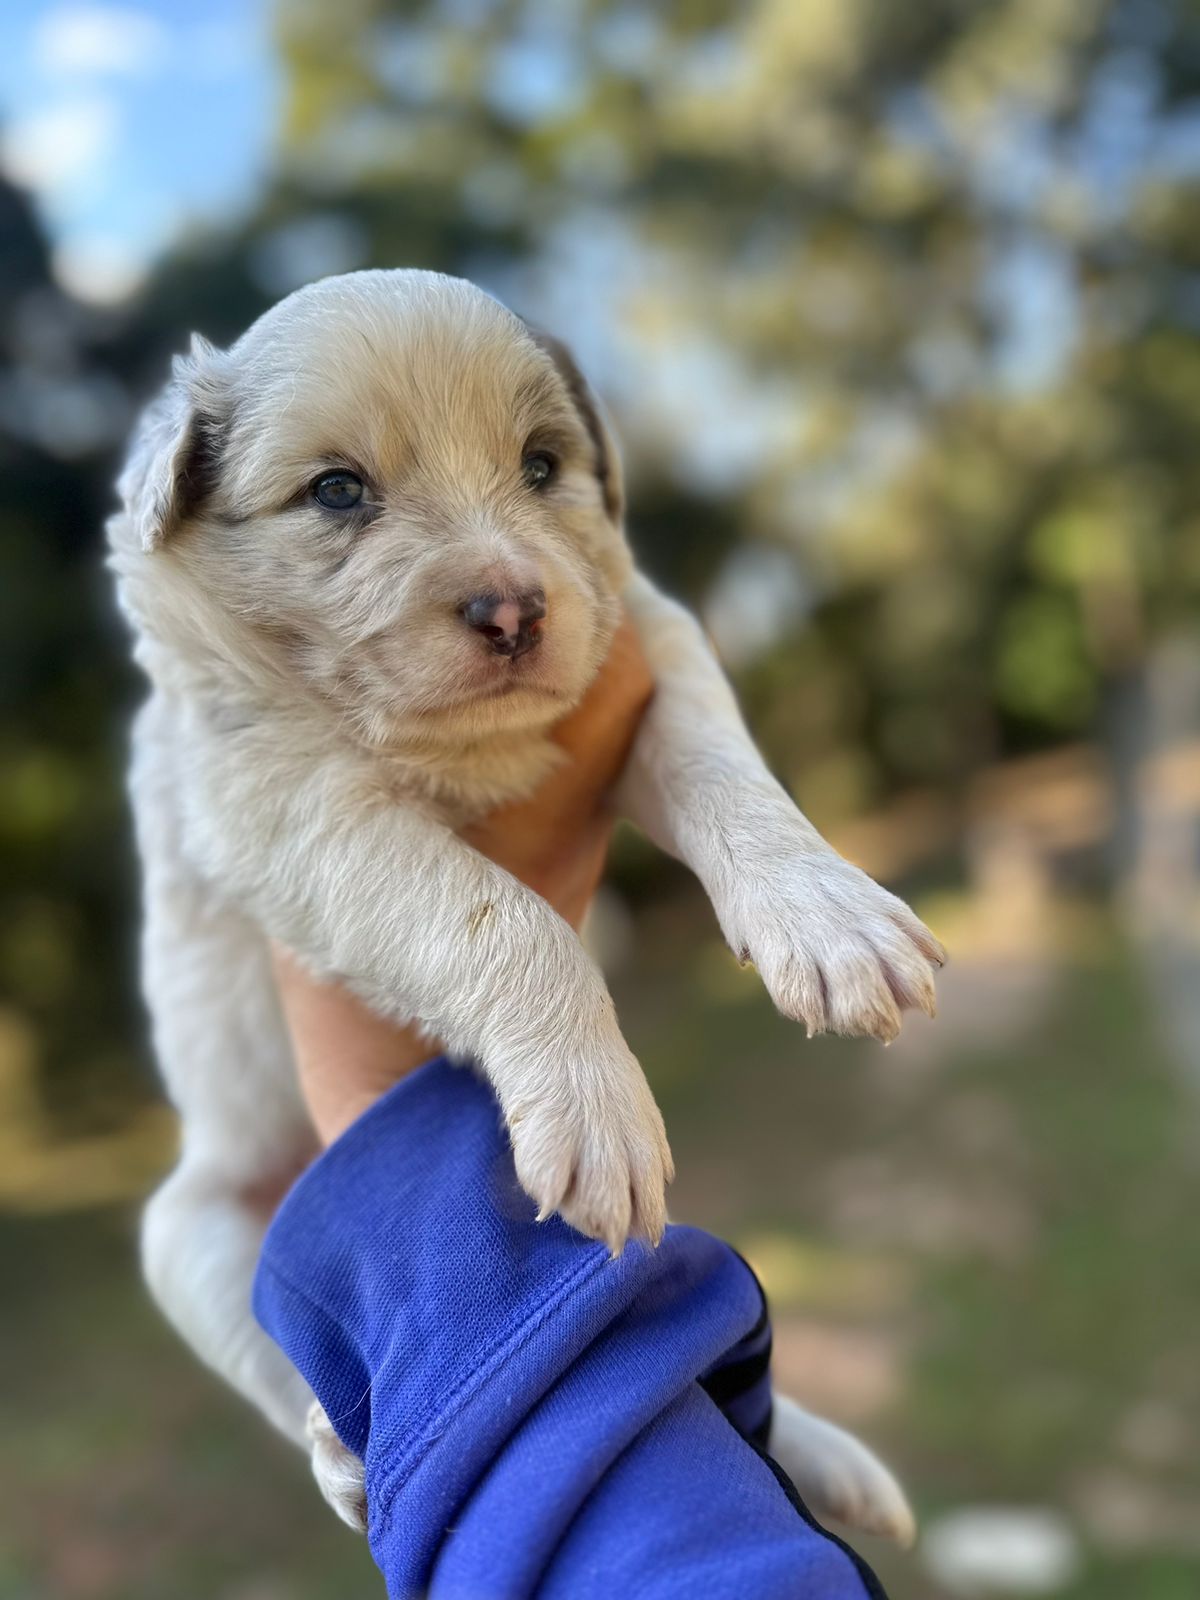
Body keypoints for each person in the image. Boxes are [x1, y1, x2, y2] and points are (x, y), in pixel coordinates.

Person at [255, 621, 888, 1598]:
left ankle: (637, 1398)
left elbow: (657, 674)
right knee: (191, 1230)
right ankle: (372, 1399)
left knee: (585, 1186)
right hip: (294, 1143)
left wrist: (770, 861)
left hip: (388, 1146)